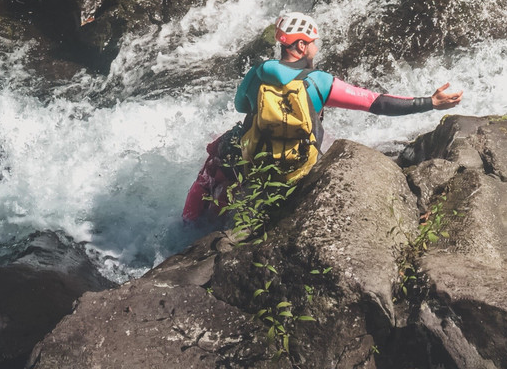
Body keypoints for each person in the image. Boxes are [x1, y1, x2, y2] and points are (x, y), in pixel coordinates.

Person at [182, 11, 464, 223]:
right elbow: (377, 104)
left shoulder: (259, 71)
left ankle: (190, 226)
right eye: (314, 42)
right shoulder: (319, 82)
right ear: (301, 46)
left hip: (251, 156)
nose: (317, 47)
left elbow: (241, 107)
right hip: (297, 169)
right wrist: (431, 102)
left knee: (214, 162)